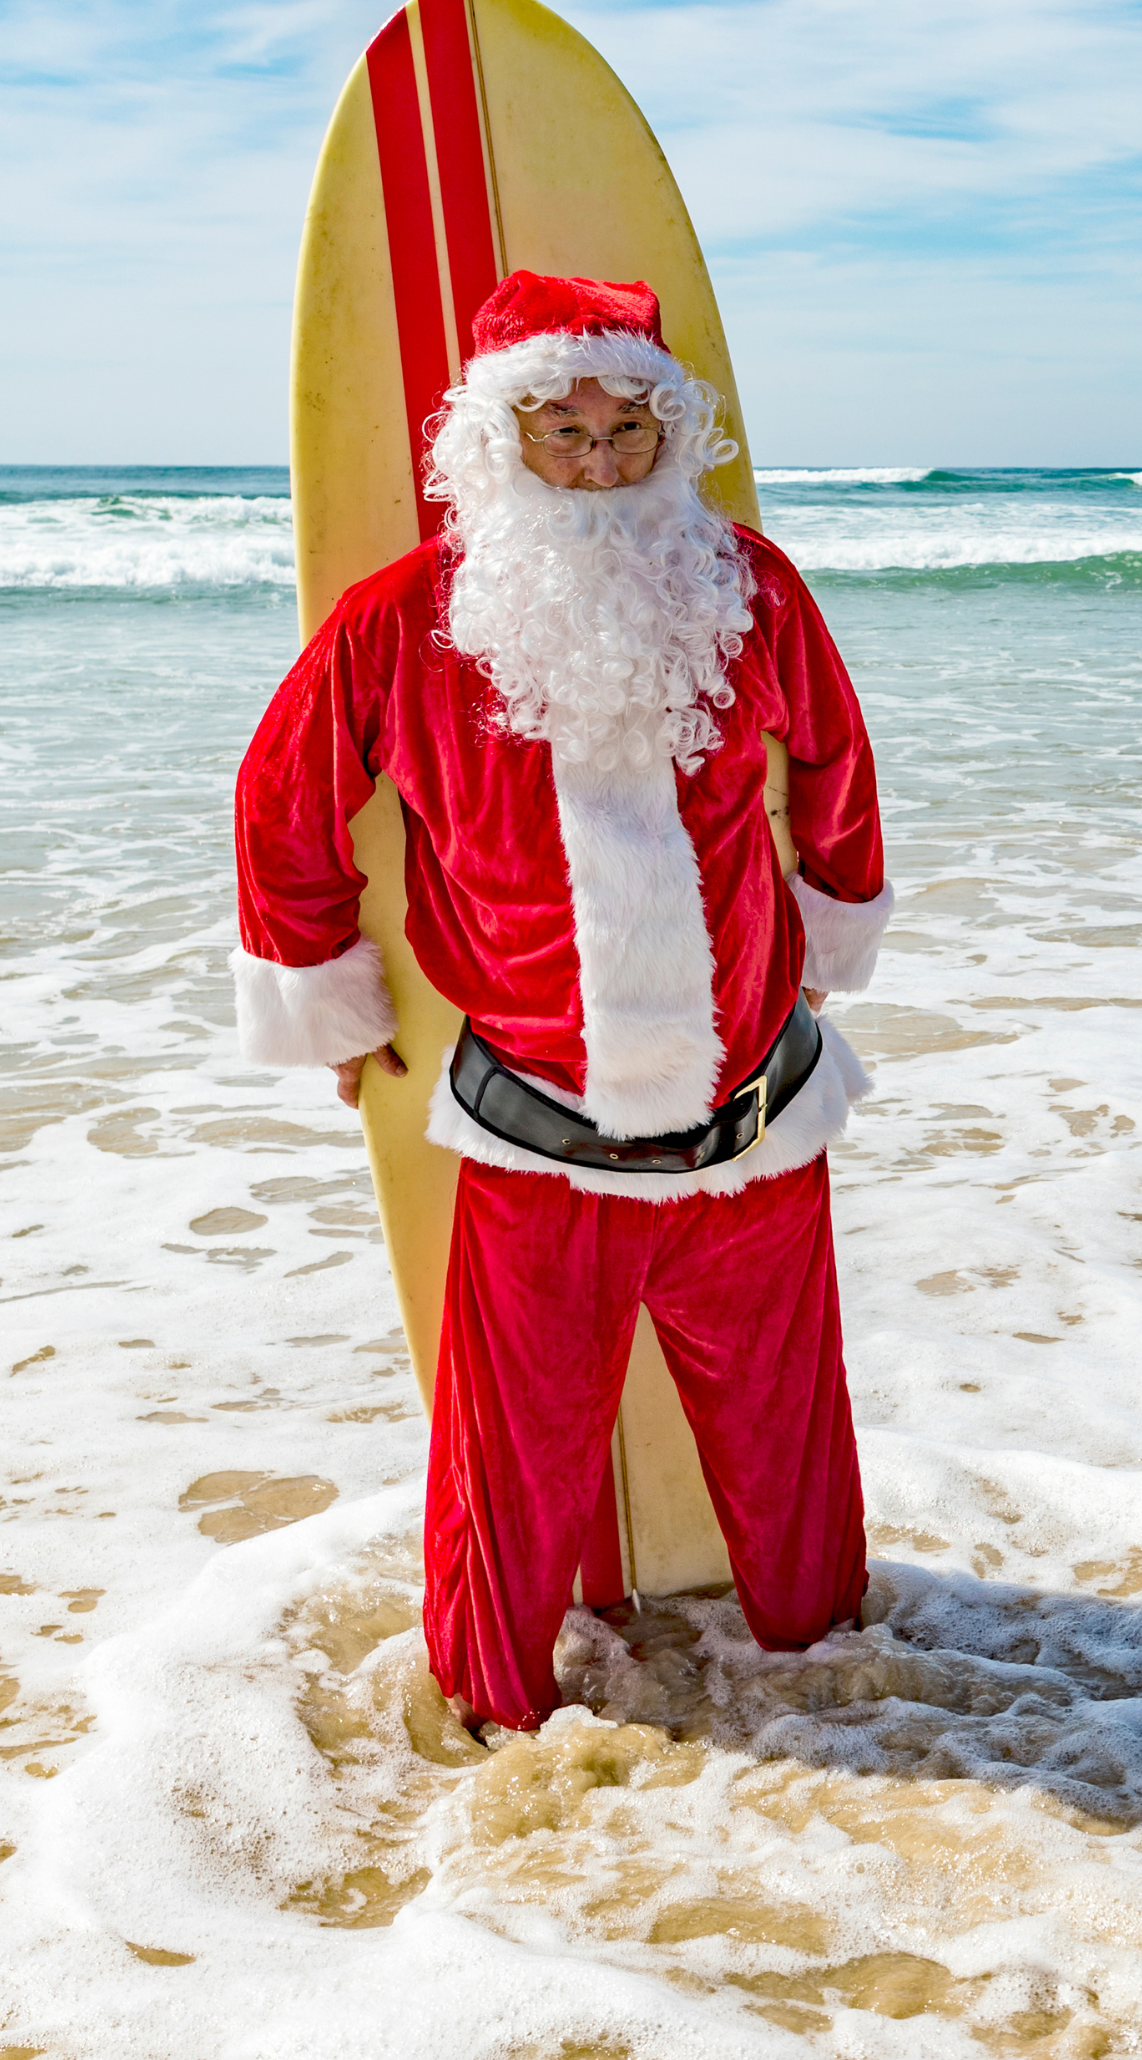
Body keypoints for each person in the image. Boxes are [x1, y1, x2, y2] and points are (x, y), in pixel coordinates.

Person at [227, 270, 892, 1729]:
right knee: (511, 1465)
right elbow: (283, 806)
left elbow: (835, 768)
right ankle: (489, 1731)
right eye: (560, 430)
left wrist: (835, 933)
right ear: (497, 440)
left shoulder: (749, 586)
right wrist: (335, 1008)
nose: (597, 461)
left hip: (753, 1118)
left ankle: (838, 1695)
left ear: (672, 433)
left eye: (627, 431)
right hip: (540, 1129)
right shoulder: (402, 620)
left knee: (790, 1450)